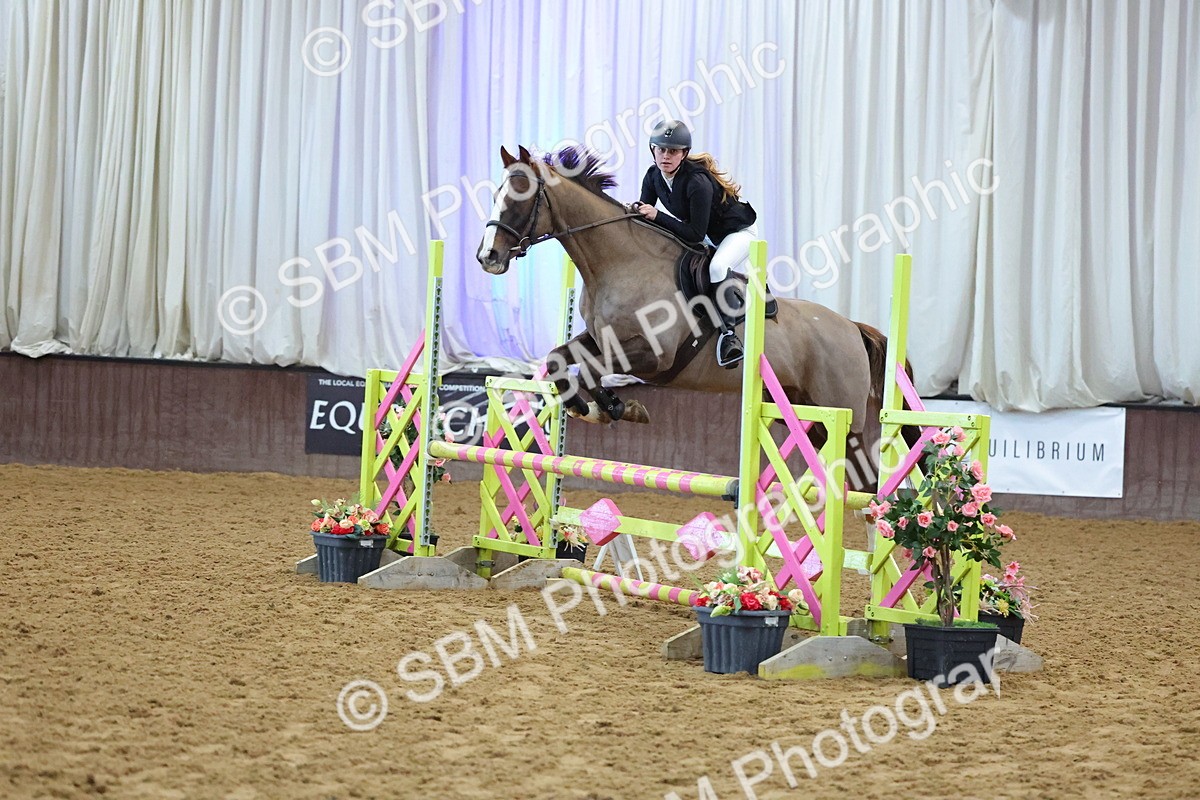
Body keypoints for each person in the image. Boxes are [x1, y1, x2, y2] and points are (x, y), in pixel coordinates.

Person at [631, 120, 774, 368]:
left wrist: (657, 216)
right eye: (661, 149)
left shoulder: (697, 182)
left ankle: (729, 336)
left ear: (684, 153)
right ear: (652, 149)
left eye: (673, 151)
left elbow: (695, 234)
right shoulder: (653, 175)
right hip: (709, 232)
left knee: (717, 268)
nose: (666, 156)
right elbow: (646, 214)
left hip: (738, 232)